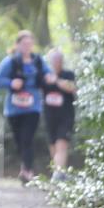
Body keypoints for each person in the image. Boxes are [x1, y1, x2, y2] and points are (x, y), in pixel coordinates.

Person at [0, 30, 51, 183]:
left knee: (27, 138)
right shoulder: (10, 61)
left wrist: (49, 77)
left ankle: (27, 171)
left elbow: (48, 73)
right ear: (17, 45)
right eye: (24, 44)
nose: (27, 46)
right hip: (14, 109)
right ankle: (25, 167)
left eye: (29, 44)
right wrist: (11, 83)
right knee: (19, 140)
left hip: (33, 107)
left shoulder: (38, 61)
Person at [41, 48, 76, 179]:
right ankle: (60, 173)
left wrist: (56, 80)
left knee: (62, 145)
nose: (57, 62)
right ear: (49, 61)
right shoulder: (44, 76)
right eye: (54, 59)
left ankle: (58, 175)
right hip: (49, 117)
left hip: (66, 116)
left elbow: (72, 87)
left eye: (59, 59)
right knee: (53, 147)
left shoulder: (68, 74)